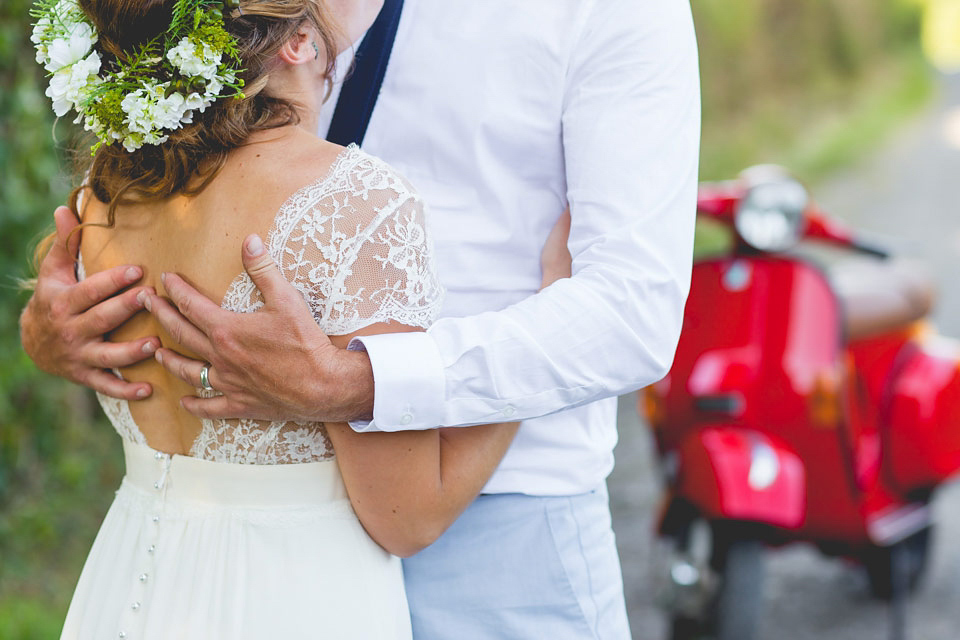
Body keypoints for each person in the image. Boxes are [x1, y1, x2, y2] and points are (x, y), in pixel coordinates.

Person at [22, 0, 701, 637]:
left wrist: (362, 383)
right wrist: (52, 329)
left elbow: (632, 310)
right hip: (269, 542)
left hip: (504, 518)